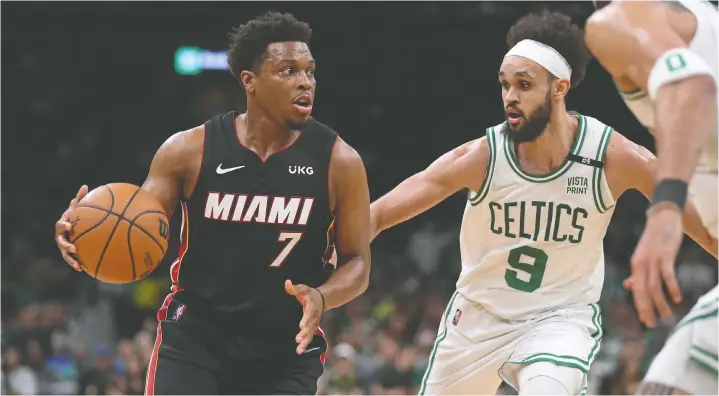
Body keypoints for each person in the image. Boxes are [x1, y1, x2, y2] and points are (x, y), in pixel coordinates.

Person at [367, 11, 717, 395]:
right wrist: (327, 247)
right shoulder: (483, 156)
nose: (510, 97)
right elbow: (380, 214)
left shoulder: (611, 155)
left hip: (560, 319)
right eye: (504, 85)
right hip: (478, 320)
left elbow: (701, 224)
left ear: (559, 88)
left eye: (524, 84)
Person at [54, 11, 371, 395]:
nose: (305, 81)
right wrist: (84, 230)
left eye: (309, 70)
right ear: (249, 82)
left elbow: (357, 262)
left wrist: (323, 296)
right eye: (288, 70)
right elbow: (136, 223)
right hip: (195, 335)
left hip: (285, 346)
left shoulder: (340, 162)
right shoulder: (188, 150)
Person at [585, 1, 718, 394]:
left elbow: (690, 83)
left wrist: (664, 209)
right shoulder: (695, 18)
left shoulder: (615, 21)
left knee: (667, 386)